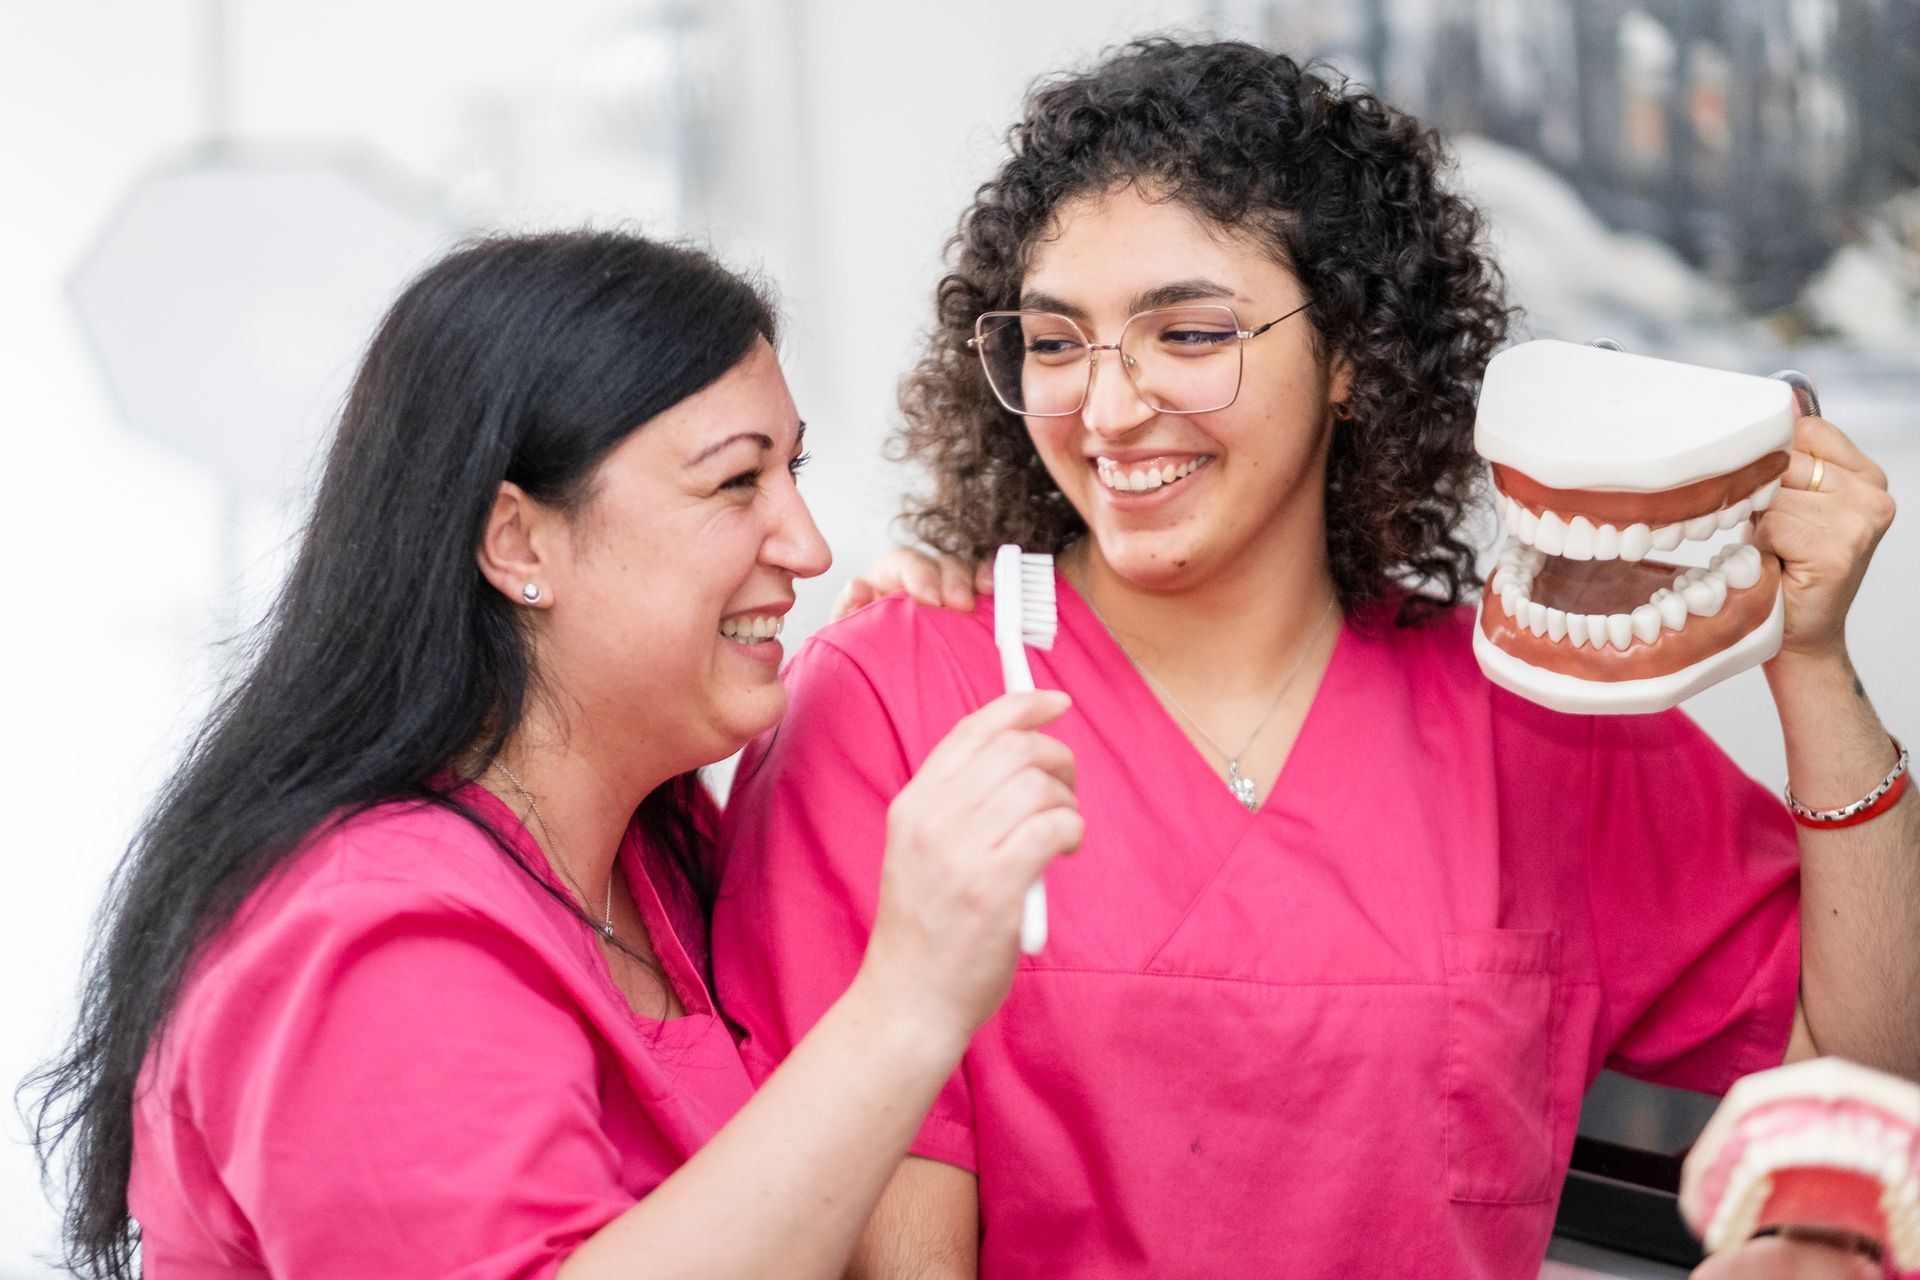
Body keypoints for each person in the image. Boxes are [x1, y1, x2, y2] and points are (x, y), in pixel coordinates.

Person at [711, 39, 1916, 1279]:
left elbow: (1867, 1065)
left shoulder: (1527, 711)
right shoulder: (893, 702)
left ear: (1348, 355)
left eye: (1187, 332)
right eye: (1058, 341)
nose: (1111, 409)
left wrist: (1810, 659)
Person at [25, 231, 1084, 1278]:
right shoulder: (371, 937)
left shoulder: (657, 855)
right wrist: (904, 1001)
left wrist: (903, 664)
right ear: (519, 542)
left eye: (791, 471)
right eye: (734, 484)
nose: (807, 545)